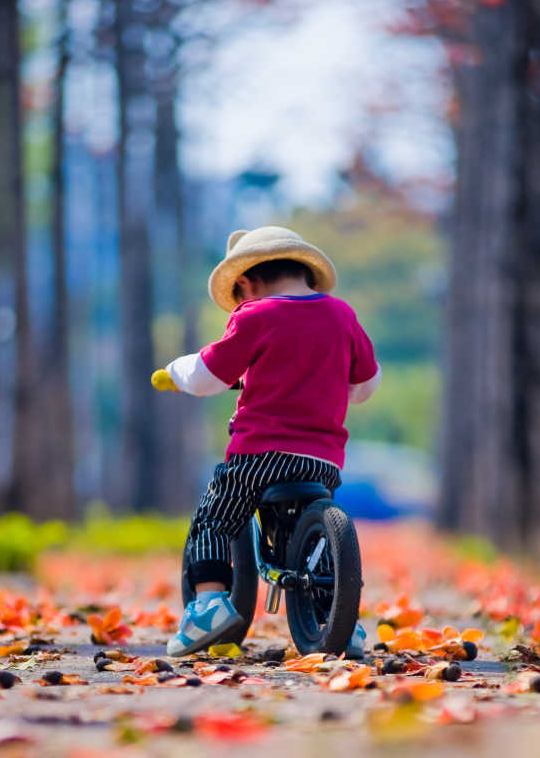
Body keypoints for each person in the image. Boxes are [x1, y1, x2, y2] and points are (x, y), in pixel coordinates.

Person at [155, 226, 381, 657]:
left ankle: (206, 605)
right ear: (306, 275)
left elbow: (208, 374)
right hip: (322, 461)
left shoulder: (255, 315)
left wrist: (176, 372)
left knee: (215, 515)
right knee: (315, 543)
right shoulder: (342, 315)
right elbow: (367, 382)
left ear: (245, 282)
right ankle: (337, 620)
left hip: (261, 454)